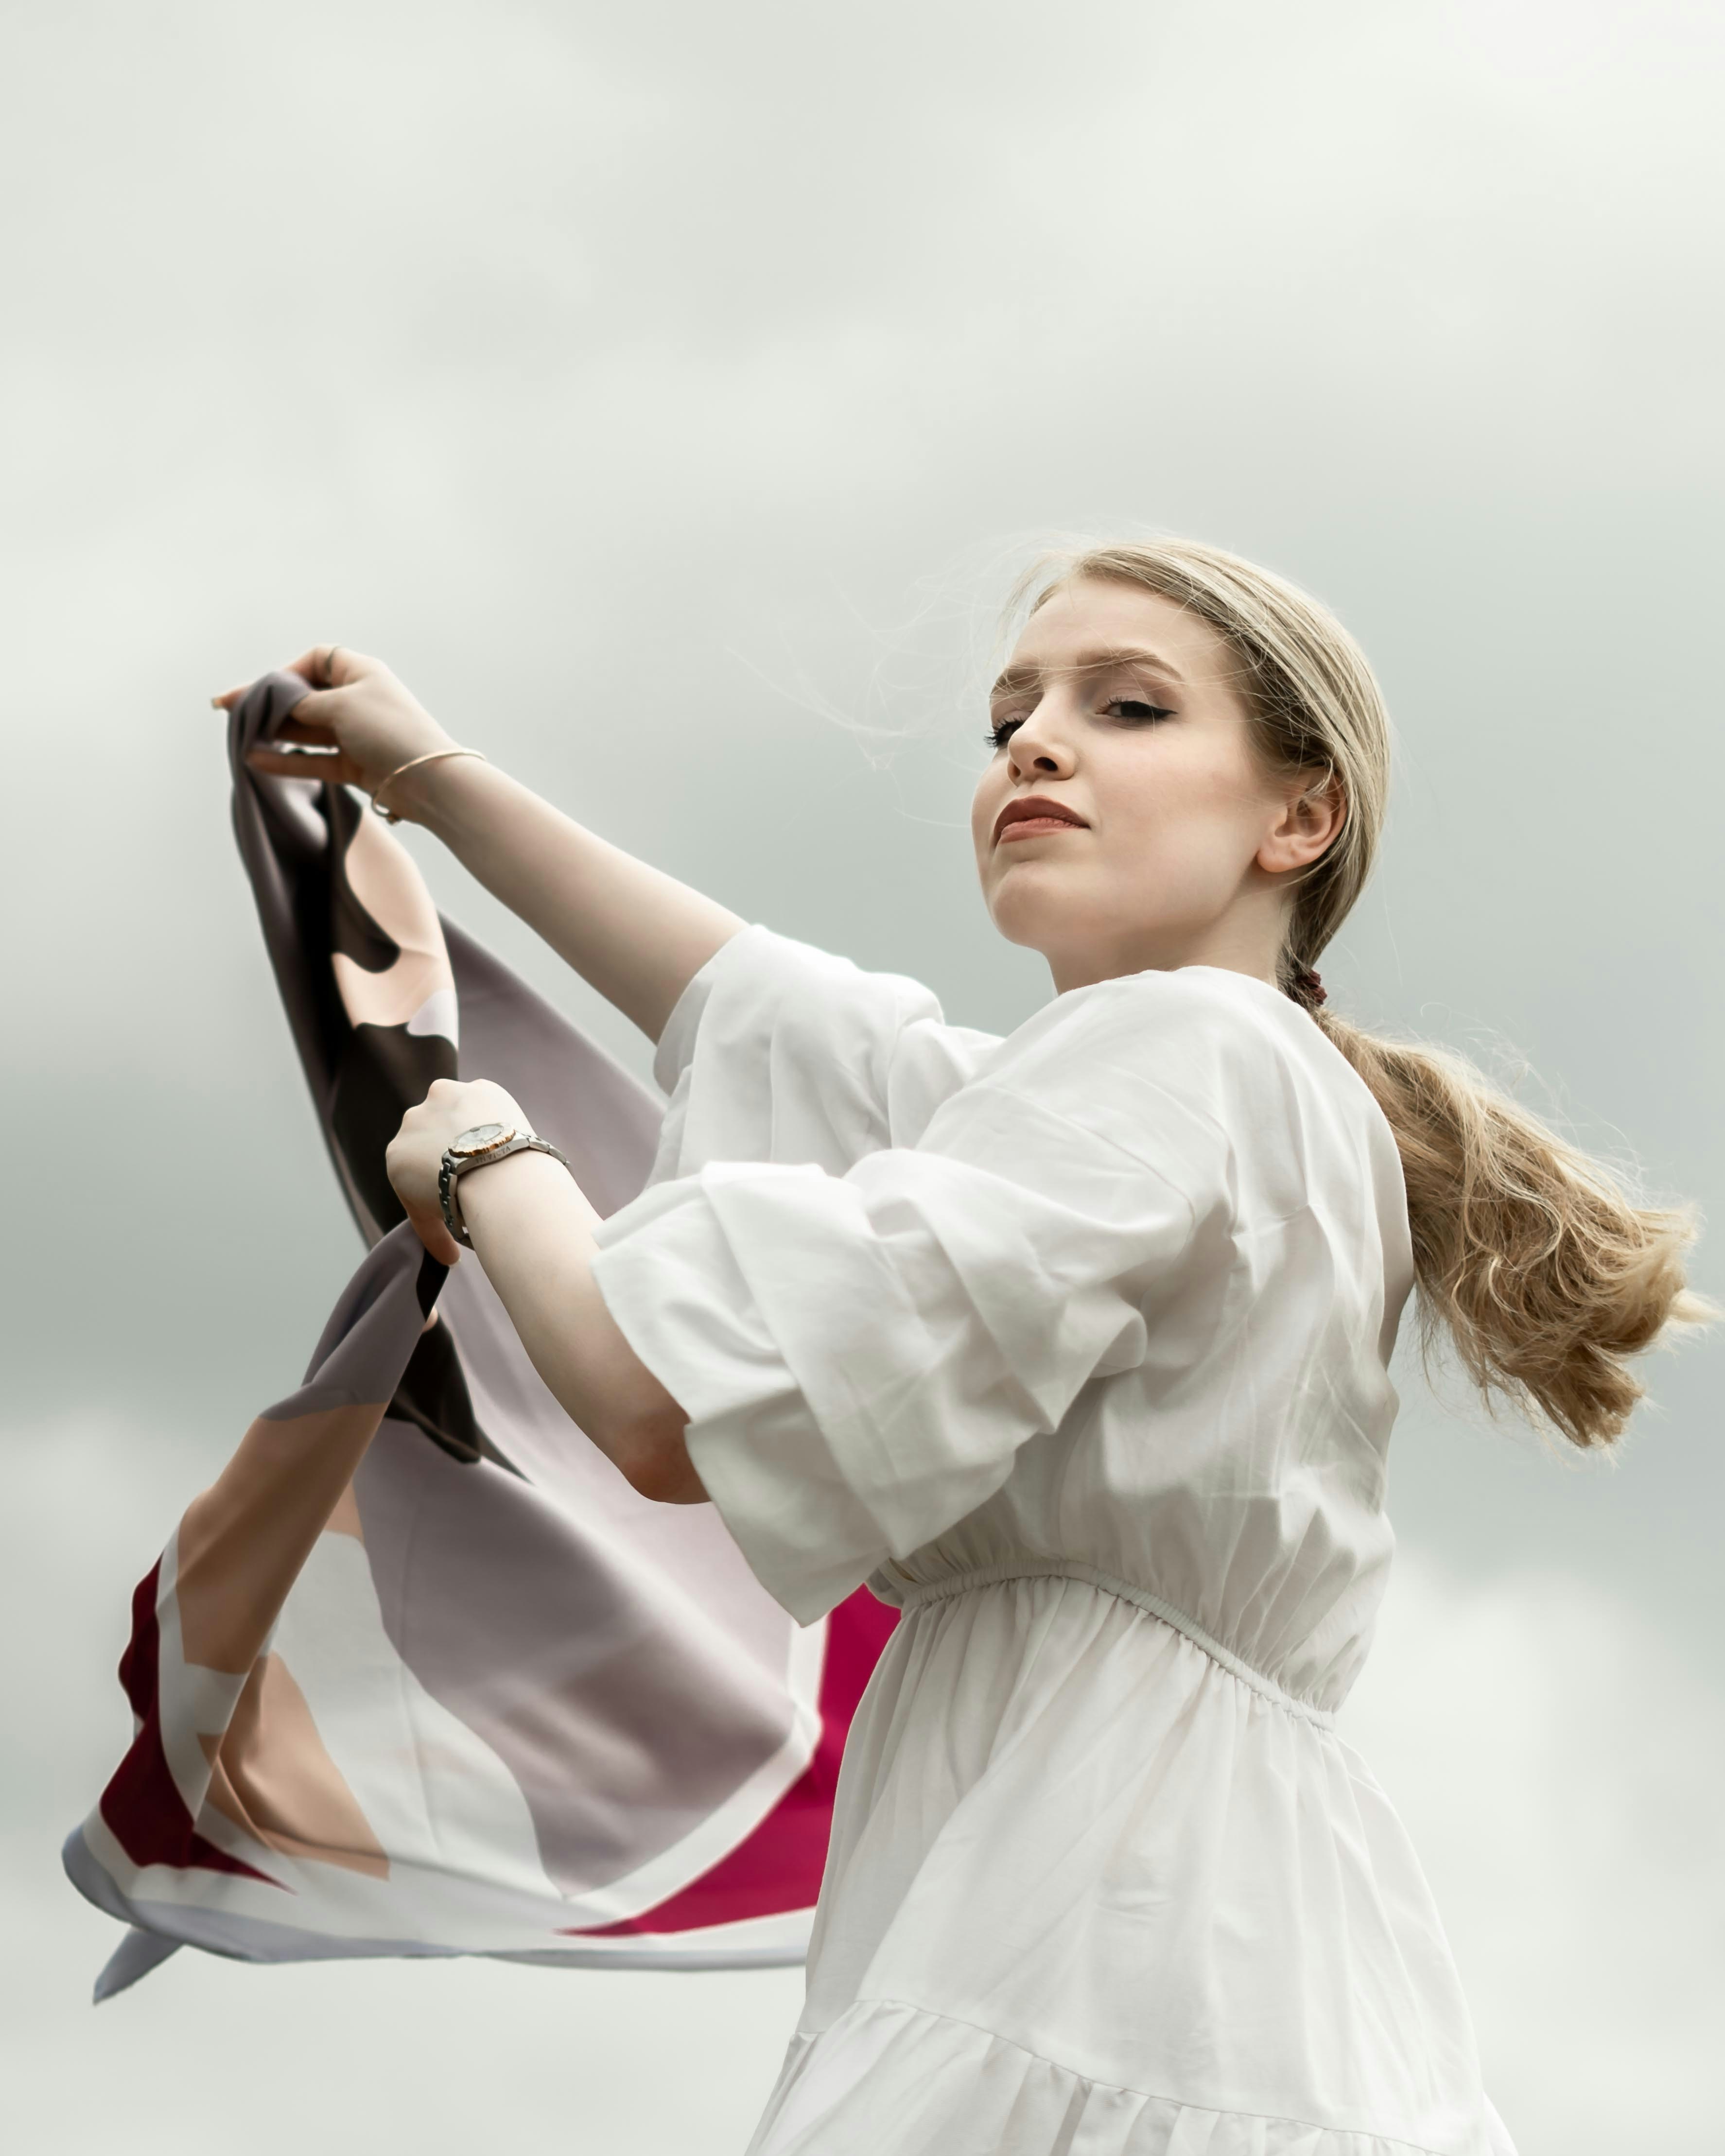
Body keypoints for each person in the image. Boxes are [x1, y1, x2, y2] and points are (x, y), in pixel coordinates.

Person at [227, 538, 1704, 2155]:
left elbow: (654, 1397)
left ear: (1301, 815)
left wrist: (487, 1163)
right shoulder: (1192, 1084)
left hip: (1088, 1911)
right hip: (1200, 1911)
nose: (1037, 742)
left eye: (1128, 706)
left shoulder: (1183, 1055)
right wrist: (430, 777)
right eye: (1010, 719)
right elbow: (755, 1007)